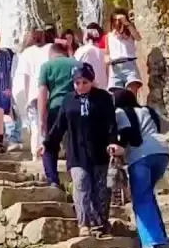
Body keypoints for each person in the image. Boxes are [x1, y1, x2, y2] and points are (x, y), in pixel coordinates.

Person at [53, 62, 120, 230]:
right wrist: (48, 144)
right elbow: (59, 125)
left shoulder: (103, 98)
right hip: (76, 152)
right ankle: (83, 224)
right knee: (81, 183)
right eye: (77, 83)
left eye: (85, 82)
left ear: (91, 81)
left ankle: (100, 223)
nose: (81, 86)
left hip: (100, 151)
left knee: (101, 189)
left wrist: (113, 141)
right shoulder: (68, 100)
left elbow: (111, 123)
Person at [117, 81, 169, 248]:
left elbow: (125, 135)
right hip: (162, 153)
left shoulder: (120, 112)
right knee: (147, 194)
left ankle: (151, 243)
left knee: (141, 198)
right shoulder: (148, 110)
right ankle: (160, 235)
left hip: (140, 156)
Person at [36, 31, 80, 188]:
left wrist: (41, 119)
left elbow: (42, 94)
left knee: (50, 145)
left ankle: (53, 180)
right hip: (75, 107)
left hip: (55, 108)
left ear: (51, 54)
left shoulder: (46, 66)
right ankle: (77, 179)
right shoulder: (75, 63)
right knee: (74, 144)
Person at [15, 27, 52, 175]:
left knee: (37, 125)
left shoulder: (26, 53)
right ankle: (44, 153)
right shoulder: (50, 48)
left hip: (35, 94)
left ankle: (36, 155)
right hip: (47, 93)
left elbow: (24, 77)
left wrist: (25, 97)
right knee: (44, 124)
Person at [107, 10, 143, 89]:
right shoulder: (109, 35)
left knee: (131, 95)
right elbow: (107, 52)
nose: (117, 22)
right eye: (115, 20)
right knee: (117, 96)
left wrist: (127, 23)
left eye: (119, 20)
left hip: (129, 64)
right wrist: (107, 60)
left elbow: (138, 38)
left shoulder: (129, 33)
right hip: (115, 67)